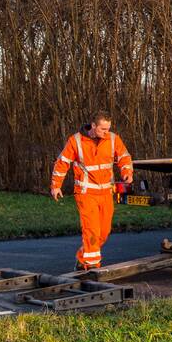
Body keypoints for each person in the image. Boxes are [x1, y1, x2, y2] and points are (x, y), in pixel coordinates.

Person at [50, 111, 133, 270]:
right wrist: (56, 185)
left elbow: (124, 157)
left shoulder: (113, 139)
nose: (106, 132)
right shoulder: (76, 141)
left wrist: (127, 173)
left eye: (108, 128)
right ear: (93, 126)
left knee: (104, 232)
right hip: (86, 193)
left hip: (106, 193)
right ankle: (92, 267)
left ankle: (83, 258)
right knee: (92, 231)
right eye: (103, 129)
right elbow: (62, 163)